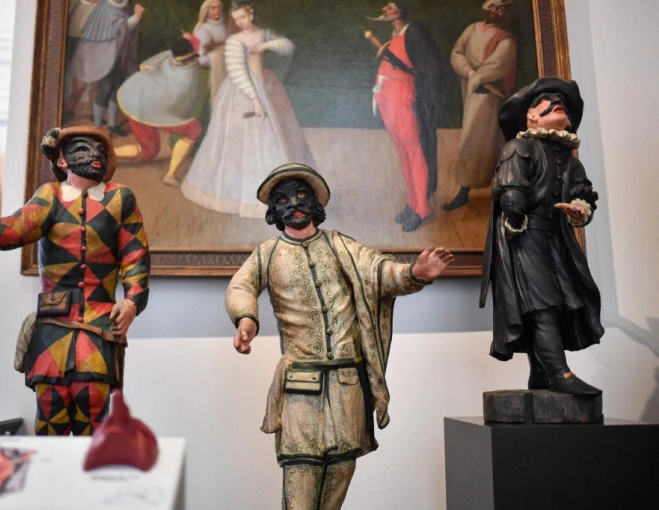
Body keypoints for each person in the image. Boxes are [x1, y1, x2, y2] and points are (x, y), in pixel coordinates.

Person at [226, 163, 453, 509]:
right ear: (274, 210)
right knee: (300, 475)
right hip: (301, 389)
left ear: (315, 203)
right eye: (283, 199)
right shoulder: (267, 254)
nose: (294, 204)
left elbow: (380, 272)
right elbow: (240, 287)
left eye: (302, 195)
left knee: (339, 477)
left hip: (347, 386)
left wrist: (415, 273)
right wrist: (246, 319)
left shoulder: (341, 246)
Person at [0, 126, 151, 435]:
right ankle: (50, 466)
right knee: (52, 403)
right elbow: (21, 225)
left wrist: (133, 301)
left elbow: (135, 254)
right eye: (82, 148)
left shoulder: (121, 198)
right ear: (62, 160)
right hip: (54, 323)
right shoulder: (50, 196)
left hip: (99, 322)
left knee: (93, 401)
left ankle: (90, 468)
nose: (94, 155)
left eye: (100, 150)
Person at [480, 77, 604, 397]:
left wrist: (580, 210)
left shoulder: (569, 161)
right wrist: (514, 211)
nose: (557, 102)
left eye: (562, 101)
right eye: (546, 99)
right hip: (525, 238)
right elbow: (510, 194)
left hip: (558, 240)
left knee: (561, 305)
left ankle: (541, 375)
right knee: (542, 305)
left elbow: (585, 197)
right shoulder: (518, 148)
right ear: (531, 116)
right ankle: (559, 373)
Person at [180, 1, 315, 219]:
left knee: (275, 139)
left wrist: (266, 45)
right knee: (245, 142)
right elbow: (237, 72)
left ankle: (282, 191)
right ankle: (249, 195)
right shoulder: (235, 41)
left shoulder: (263, 33)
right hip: (243, 92)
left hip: (265, 85)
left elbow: (288, 46)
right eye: (237, 19)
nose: (241, 22)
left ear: (251, 14)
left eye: (243, 17)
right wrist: (254, 99)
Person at [368, 2, 441, 232]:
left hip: (403, 98)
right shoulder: (395, 34)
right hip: (387, 97)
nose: (385, 9)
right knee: (402, 151)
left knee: (414, 151)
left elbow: (428, 69)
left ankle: (422, 207)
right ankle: (412, 202)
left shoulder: (414, 32)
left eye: (390, 6)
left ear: (400, 11)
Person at [444, 0, 517, 211]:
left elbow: (496, 65)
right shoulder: (471, 29)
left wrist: (477, 78)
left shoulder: (506, 41)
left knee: (476, 142)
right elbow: (457, 53)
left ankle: (466, 191)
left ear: (506, 14)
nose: (496, 11)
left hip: (488, 94)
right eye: (494, 6)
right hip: (469, 88)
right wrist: (469, 72)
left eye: (502, 9)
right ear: (487, 8)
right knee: (483, 142)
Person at [115, 39, 205, 186]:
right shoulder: (186, 78)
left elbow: (144, 67)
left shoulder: (167, 56)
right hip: (145, 107)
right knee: (194, 129)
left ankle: (105, 153)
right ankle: (171, 175)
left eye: (191, 58)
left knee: (149, 151)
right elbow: (178, 107)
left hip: (137, 101)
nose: (191, 62)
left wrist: (157, 81)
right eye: (187, 60)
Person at [66, 0, 145, 134]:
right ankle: (97, 126)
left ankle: (112, 125)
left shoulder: (124, 6)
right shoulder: (106, 7)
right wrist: (136, 17)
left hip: (117, 56)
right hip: (103, 57)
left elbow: (123, 31)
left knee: (116, 90)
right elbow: (119, 29)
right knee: (106, 89)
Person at [186, 0, 236, 101]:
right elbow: (202, 58)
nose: (217, 10)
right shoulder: (204, 30)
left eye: (219, 7)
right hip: (215, 70)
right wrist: (219, 58)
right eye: (213, 8)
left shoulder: (227, 24)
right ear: (206, 10)